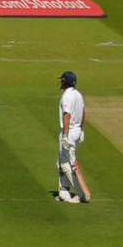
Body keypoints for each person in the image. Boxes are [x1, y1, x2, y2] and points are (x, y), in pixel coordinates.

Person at [55, 70, 87, 203]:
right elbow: (83, 113)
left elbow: (66, 115)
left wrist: (65, 136)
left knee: (66, 163)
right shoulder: (78, 94)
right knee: (61, 162)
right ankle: (64, 192)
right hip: (76, 130)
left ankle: (81, 193)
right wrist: (82, 129)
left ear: (64, 82)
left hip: (69, 132)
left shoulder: (67, 96)